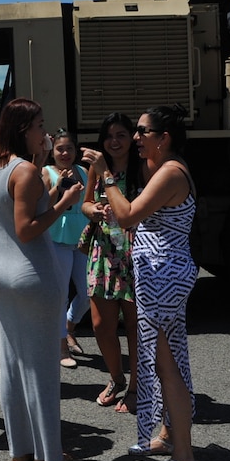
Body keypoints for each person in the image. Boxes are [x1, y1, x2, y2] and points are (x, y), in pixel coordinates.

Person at [82, 105, 200, 461]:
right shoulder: (164, 168)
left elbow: (129, 215)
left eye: (143, 132)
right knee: (171, 359)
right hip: (161, 273)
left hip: (164, 274)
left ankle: (183, 458)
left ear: (163, 139)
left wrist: (105, 175)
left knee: (166, 366)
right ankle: (168, 436)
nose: (135, 138)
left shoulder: (170, 172)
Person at [0, 98, 85, 461]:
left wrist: (52, 195)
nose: (46, 132)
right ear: (24, 128)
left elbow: (14, 218)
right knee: (41, 367)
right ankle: (47, 457)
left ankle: (20, 453)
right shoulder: (25, 171)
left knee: (11, 365)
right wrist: (65, 203)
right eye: (40, 125)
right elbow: (27, 230)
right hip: (31, 274)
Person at [81, 112, 144, 414]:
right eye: (109, 136)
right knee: (100, 324)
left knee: (134, 325)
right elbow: (85, 203)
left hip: (134, 251)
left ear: (131, 138)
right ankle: (116, 378)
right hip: (103, 251)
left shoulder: (143, 168)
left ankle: (137, 387)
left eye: (121, 135)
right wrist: (93, 210)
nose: (114, 141)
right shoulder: (97, 167)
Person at [42, 128, 90, 368]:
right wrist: (59, 187)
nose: (64, 153)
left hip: (82, 239)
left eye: (69, 148)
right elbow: (42, 205)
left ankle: (69, 326)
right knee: (61, 294)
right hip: (57, 238)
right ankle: (61, 347)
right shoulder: (46, 172)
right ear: (53, 151)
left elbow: (90, 201)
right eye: (60, 148)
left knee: (89, 292)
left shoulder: (84, 171)